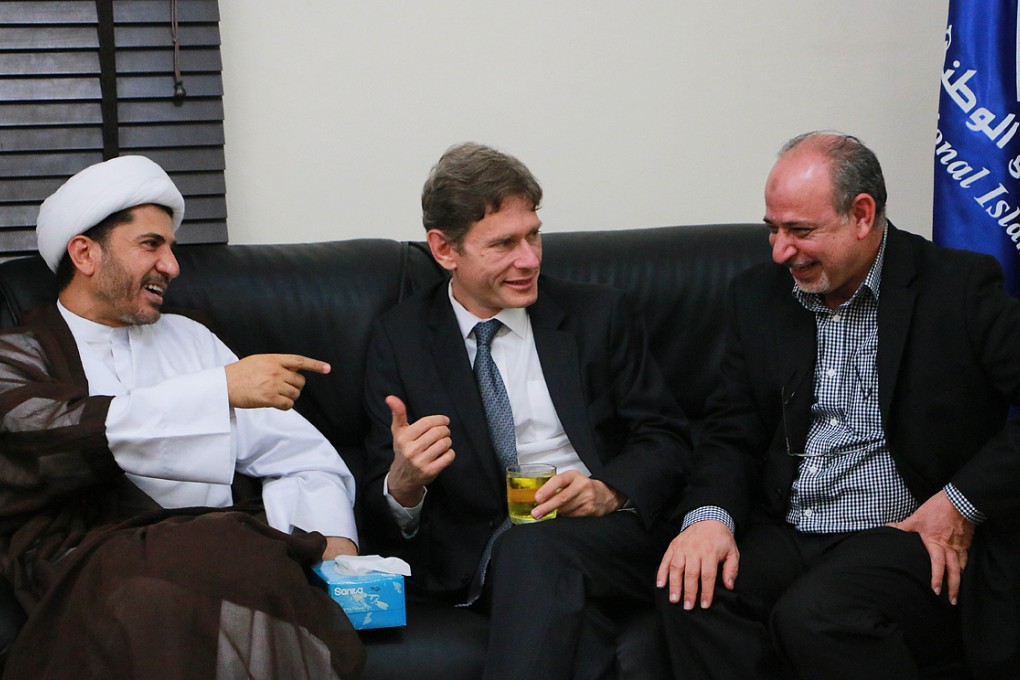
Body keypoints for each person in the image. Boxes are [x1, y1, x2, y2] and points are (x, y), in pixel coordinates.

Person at [655, 131, 1020, 679]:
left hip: (904, 530)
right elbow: (729, 430)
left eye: (800, 231)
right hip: (790, 523)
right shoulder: (757, 296)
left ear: (862, 215)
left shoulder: (958, 289)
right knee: (691, 589)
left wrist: (960, 502)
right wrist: (710, 518)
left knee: (819, 616)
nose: (781, 251)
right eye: (772, 230)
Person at [0, 155, 365, 679]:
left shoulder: (191, 339)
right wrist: (218, 390)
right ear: (85, 253)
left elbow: (301, 458)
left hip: (226, 551)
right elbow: (45, 435)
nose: (172, 265)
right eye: (152, 245)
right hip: (100, 565)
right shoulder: (21, 353)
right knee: (213, 561)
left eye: (170, 248)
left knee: (236, 554)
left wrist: (332, 540)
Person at [362, 142, 690, 679]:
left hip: (609, 537)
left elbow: (667, 439)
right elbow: (382, 498)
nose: (530, 259)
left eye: (534, 234)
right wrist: (405, 483)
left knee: (536, 553)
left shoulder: (599, 316)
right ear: (445, 250)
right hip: (485, 556)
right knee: (549, 584)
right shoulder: (399, 340)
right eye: (504, 244)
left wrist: (607, 491)